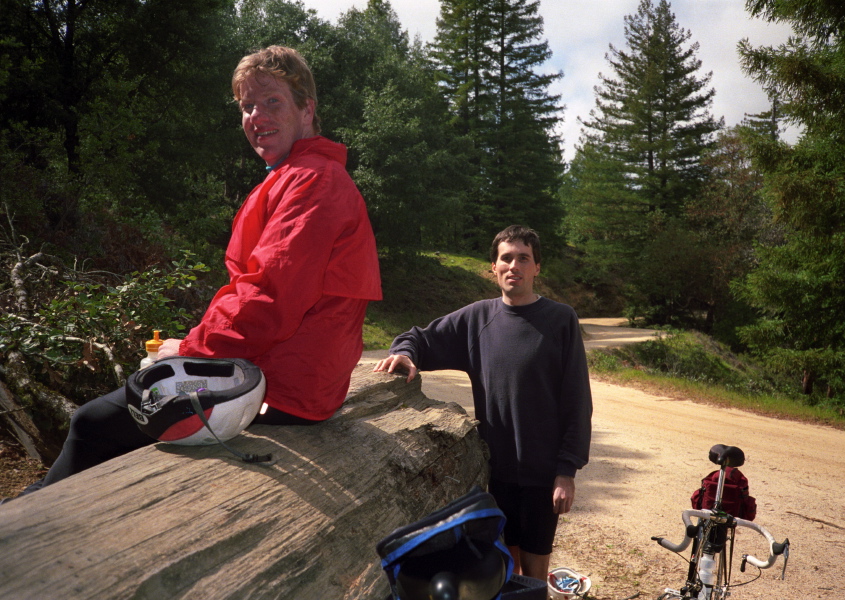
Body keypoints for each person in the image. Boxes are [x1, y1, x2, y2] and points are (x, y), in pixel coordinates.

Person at [20, 45, 382, 495]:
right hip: (288, 380)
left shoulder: (312, 180)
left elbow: (268, 300)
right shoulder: (296, 175)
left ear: (307, 109)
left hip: (280, 391)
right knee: (113, 425)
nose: (256, 115)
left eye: (271, 101)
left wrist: (190, 346)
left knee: (92, 423)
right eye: (247, 106)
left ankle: (18, 529)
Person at [373, 225, 592, 579]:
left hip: (543, 473)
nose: (514, 266)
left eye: (524, 258)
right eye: (506, 258)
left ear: (537, 267)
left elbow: (577, 401)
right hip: (496, 471)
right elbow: (418, 338)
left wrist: (566, 472)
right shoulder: (478, 319)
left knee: (535, 571)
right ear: (493, 266)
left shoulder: (560, 319)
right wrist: (405, 354)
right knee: (503, 567)